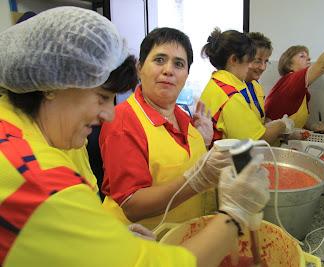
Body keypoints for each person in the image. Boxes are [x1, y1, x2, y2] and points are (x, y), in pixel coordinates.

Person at [0, 7, 269, 267]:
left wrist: (205, 142)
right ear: (53, 82)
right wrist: (235, 214)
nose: (107, 114)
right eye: (102, 97)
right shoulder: (44, 184)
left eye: (179, 64)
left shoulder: (33, 130)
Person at [100, 27, 229, 229]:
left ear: (186, 75)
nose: (169, 70)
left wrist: (204, 142)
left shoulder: (184, 117)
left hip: (184, 234)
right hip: (143, 246)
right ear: (140, 67)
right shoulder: (124, 121)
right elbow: (133, 205)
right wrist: (196, 181)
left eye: (179, 64)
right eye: (159, 60)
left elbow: (183, 164)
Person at [199, 28, 294, 145]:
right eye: (250, 60)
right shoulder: (231, 96)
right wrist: (282, 124)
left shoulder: (217, 83)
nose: (250, 66)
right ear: (233, 59)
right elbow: (257, 141)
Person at [264, 13, 324, 132]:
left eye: (308, 56)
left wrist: (312, 127)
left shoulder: (301, 89)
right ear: (289, 64)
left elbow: (291, 117)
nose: (308, 59)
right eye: (302, 56)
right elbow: (323, 65)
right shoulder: (291, 80)